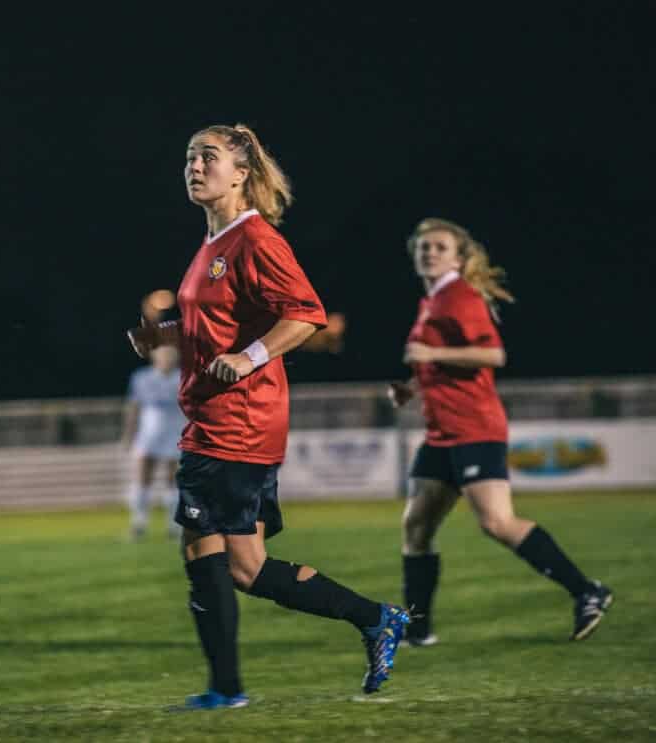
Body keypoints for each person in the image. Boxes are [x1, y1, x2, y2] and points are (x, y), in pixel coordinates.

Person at [127, 124, 409, 709]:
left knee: (202, 550)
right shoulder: (212, 244)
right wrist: (171, 336)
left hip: (236, 422)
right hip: (221, 418)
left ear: (242, 173)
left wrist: (249, 357)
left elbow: (307, 315)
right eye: (189, 158)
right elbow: (223, 325)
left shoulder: (255, 239)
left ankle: (225, 690)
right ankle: (377, 618)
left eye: (208, 157)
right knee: (247, 569)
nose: (194, 167)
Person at [390, 217, 613, 646]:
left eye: (439, 247)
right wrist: (413, 387)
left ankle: (587, 591)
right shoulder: (433, 301)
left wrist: (432, 351)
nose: (430, 253)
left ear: (458, 256)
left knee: (496, 522)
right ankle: (418, 629)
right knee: (416, 528)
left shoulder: (460, 296)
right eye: (424, 247)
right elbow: (443, 364)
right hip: (441, 434)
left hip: (474, 429)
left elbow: (492, 354)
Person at [122, 291, 186, 540]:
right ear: (155, 356)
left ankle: (174, 525)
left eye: (171, 353)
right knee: (142, 476)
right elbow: (133, 408)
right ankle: (139, 522)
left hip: (174, 430)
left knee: (173, 479)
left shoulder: (183, 377)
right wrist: (129, 434)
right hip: (149, 431)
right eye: (162, 353)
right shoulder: (141, 378)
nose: (167, 357)